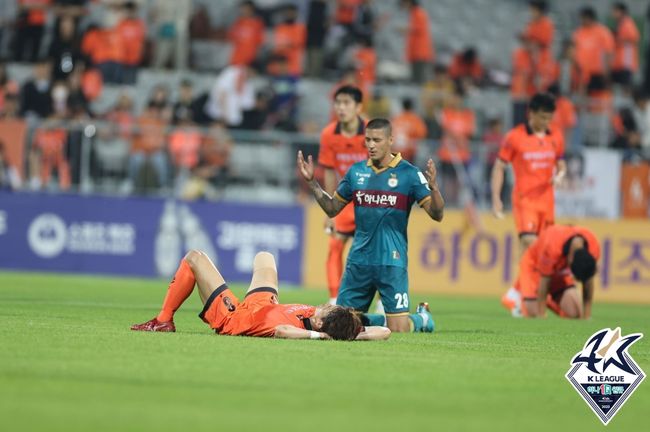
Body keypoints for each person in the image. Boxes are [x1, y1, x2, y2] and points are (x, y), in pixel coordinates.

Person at [298, 118, 444, 332]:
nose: (371, 145)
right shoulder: (356, 172)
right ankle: (378, 320)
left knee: (400, 329)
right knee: (338, 325)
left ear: (391, 140)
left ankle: (422, 319)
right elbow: (332, 209)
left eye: (377, 140)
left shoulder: (410, 174)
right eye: (367, 140)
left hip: (391, 261)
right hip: (359, 261)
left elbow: (437, 214)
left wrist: (435, 189)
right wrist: (312, 183)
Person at [131, 250, 391, 341]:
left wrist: (319, 336)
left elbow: (282, 332)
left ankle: (164, 320)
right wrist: (355, 335)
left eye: (324, 310)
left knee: (194, 258)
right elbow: (385, 332)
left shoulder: (297, 328)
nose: (321, 306)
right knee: (265, 257)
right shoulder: (330, 325)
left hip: (236, 317)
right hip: (264, 304)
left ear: (321, 324)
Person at [491, 93, 566, 257]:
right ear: (531, 113)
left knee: (541, 251)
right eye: (542, 118)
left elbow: (560, 162)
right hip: (525, 200)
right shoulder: (515, 137)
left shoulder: (556, 136)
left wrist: (561, 174)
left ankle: (522, 282)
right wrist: (496, 197)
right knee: (530, 241)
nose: (546, 123)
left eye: (549, 118)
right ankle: (526, 281)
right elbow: (499, 167)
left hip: (547, 202)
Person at [318, 85, 367, 305]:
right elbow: (329, 170)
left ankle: (378, 299)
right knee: (334, 246)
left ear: (358, 107)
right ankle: (334, 298)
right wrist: (330, 207)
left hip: (370, 201)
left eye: (346, 103)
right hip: (346, 200)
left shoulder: (371, 132)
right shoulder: (329, 134)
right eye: (338, 103)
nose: (341, 107)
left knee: (370, 254)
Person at [502, 225, 600, 319]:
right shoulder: (553, 246)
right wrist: (541, 314)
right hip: (534, 266)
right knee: (534, 314)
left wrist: (586, 316)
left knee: (575, 313)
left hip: (559, 271)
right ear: (570, 260)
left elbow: (588, 279)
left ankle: (541, 298)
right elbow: (544, 281)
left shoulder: (593, 247)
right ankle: (516, 297)